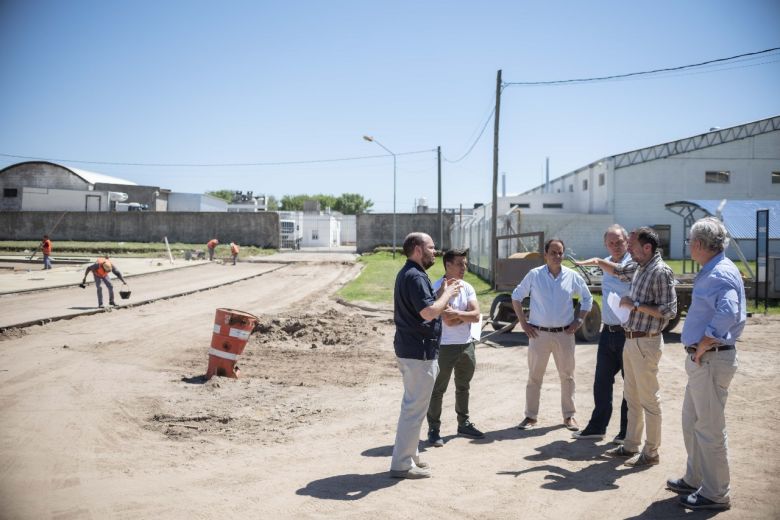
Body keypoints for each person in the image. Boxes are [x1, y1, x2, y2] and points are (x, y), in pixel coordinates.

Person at [580, 227, 677, 467]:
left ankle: (651, 452)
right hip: (631, 339)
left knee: (648, 400)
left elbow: (669, 311)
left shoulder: (660, 271)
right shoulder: (639, 266)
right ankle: (631, 445)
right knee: (631, 397)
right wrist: (598, 261)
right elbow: (620, 271)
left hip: (647, 340)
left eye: (632, 247)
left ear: (647, 248)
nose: (628, 252)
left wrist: (636, 306)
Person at [667, 217, 745, 511]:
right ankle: (695, 477)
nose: (689, 247)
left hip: (710, 359)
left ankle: (715, 493)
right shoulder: (715, 269)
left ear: (699, 244)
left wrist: (704, 343)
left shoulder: (719, 273)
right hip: (704, 360)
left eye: (690, 242)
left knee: (709, 428)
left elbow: (729, 311)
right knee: (692, 421)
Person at [390, 232, 462, 479]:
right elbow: (429, 312)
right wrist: (447, 294)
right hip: (417, 352)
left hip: (413, 349)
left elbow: (425, 307)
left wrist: (440, 291)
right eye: (431, 248)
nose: (436, 252)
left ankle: (409, 456)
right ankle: (401, 464)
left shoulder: (412, 274)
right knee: (413, 409)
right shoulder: (414, 276)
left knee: (414, 408)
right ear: (418, 250)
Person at [512, 238, 592, 432]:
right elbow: (516, 296)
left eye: (560, 252)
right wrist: (523, 323)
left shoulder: (572, 276)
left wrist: (578, 321)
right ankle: (530, 417)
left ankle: (569, 416)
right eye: (553, 252)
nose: (557, 256)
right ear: (545, 254)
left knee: (568, 377)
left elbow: (587, 299)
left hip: (564, 334)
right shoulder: (534, 275)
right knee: (534, 377)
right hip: (538, 334)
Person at [572, 225, 630, 444]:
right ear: (606, 244)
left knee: (630, 385)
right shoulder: (606, 262)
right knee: (601, 383)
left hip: (628, 334)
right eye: (611, 243)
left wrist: (597, 261)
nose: (615, 246)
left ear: (627, 242)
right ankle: (597, 427)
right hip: (608, 332)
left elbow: (619, 272)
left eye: (619, 242)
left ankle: (626, 432)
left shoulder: (632, 264)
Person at [426, 248, 484, 447]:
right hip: (444, 346)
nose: (464, 268)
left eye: (465, 264)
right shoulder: (436, 288)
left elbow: (476, 315)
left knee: (463, 386)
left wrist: (457, 314)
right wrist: (463, 315)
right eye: (460, 264)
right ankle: (434, 430)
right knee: (437, 390)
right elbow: (447, 320)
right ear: (448, 265)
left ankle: (464, 423)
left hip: (466, 345)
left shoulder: (467, 287)